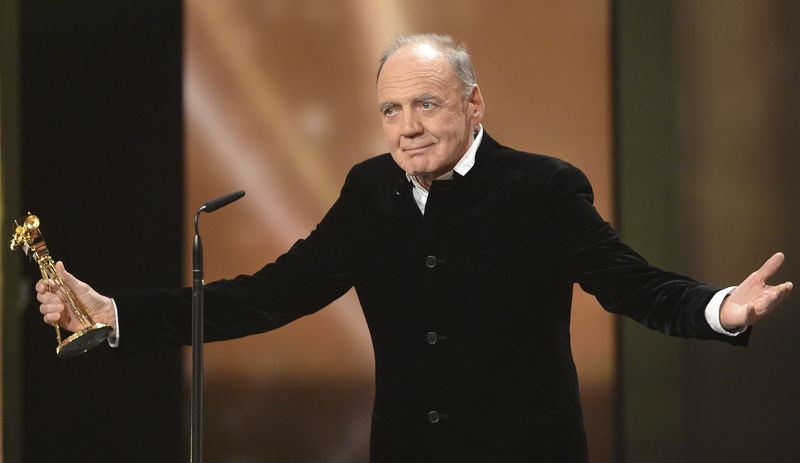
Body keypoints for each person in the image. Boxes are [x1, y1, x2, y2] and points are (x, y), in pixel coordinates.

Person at [36, 33, 792, 462]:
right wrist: (117, 315)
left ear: (473, 104)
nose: (406, 127)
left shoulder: (544, 188)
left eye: (425, 104)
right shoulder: (370, 190)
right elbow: (267, 294)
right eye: (391, 110)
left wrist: (722, 307)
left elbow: (633, 285)